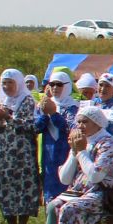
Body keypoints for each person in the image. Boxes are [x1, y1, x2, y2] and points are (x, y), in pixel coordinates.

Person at [0, 69, 41, 224]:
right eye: (4, 82)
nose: (7, 86)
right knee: (5, 185)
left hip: (22, 153)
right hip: (4, 153)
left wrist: (8, 117)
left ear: (18, 83)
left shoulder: (27, 101)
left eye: (10, 82)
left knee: (24, 186)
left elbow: (31, 125)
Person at [35, 72, 79, 201]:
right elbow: (37, 127)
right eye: (52, 84)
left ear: (67, 86)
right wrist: (44, 113)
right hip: (48, 152)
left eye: (59, 84)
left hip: (65, 151)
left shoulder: (74, 106)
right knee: (49, 187)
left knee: (66, 185)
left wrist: (54, 113)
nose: (55, 88)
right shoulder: (44, 104)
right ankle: (50, 218)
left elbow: (69, 128)